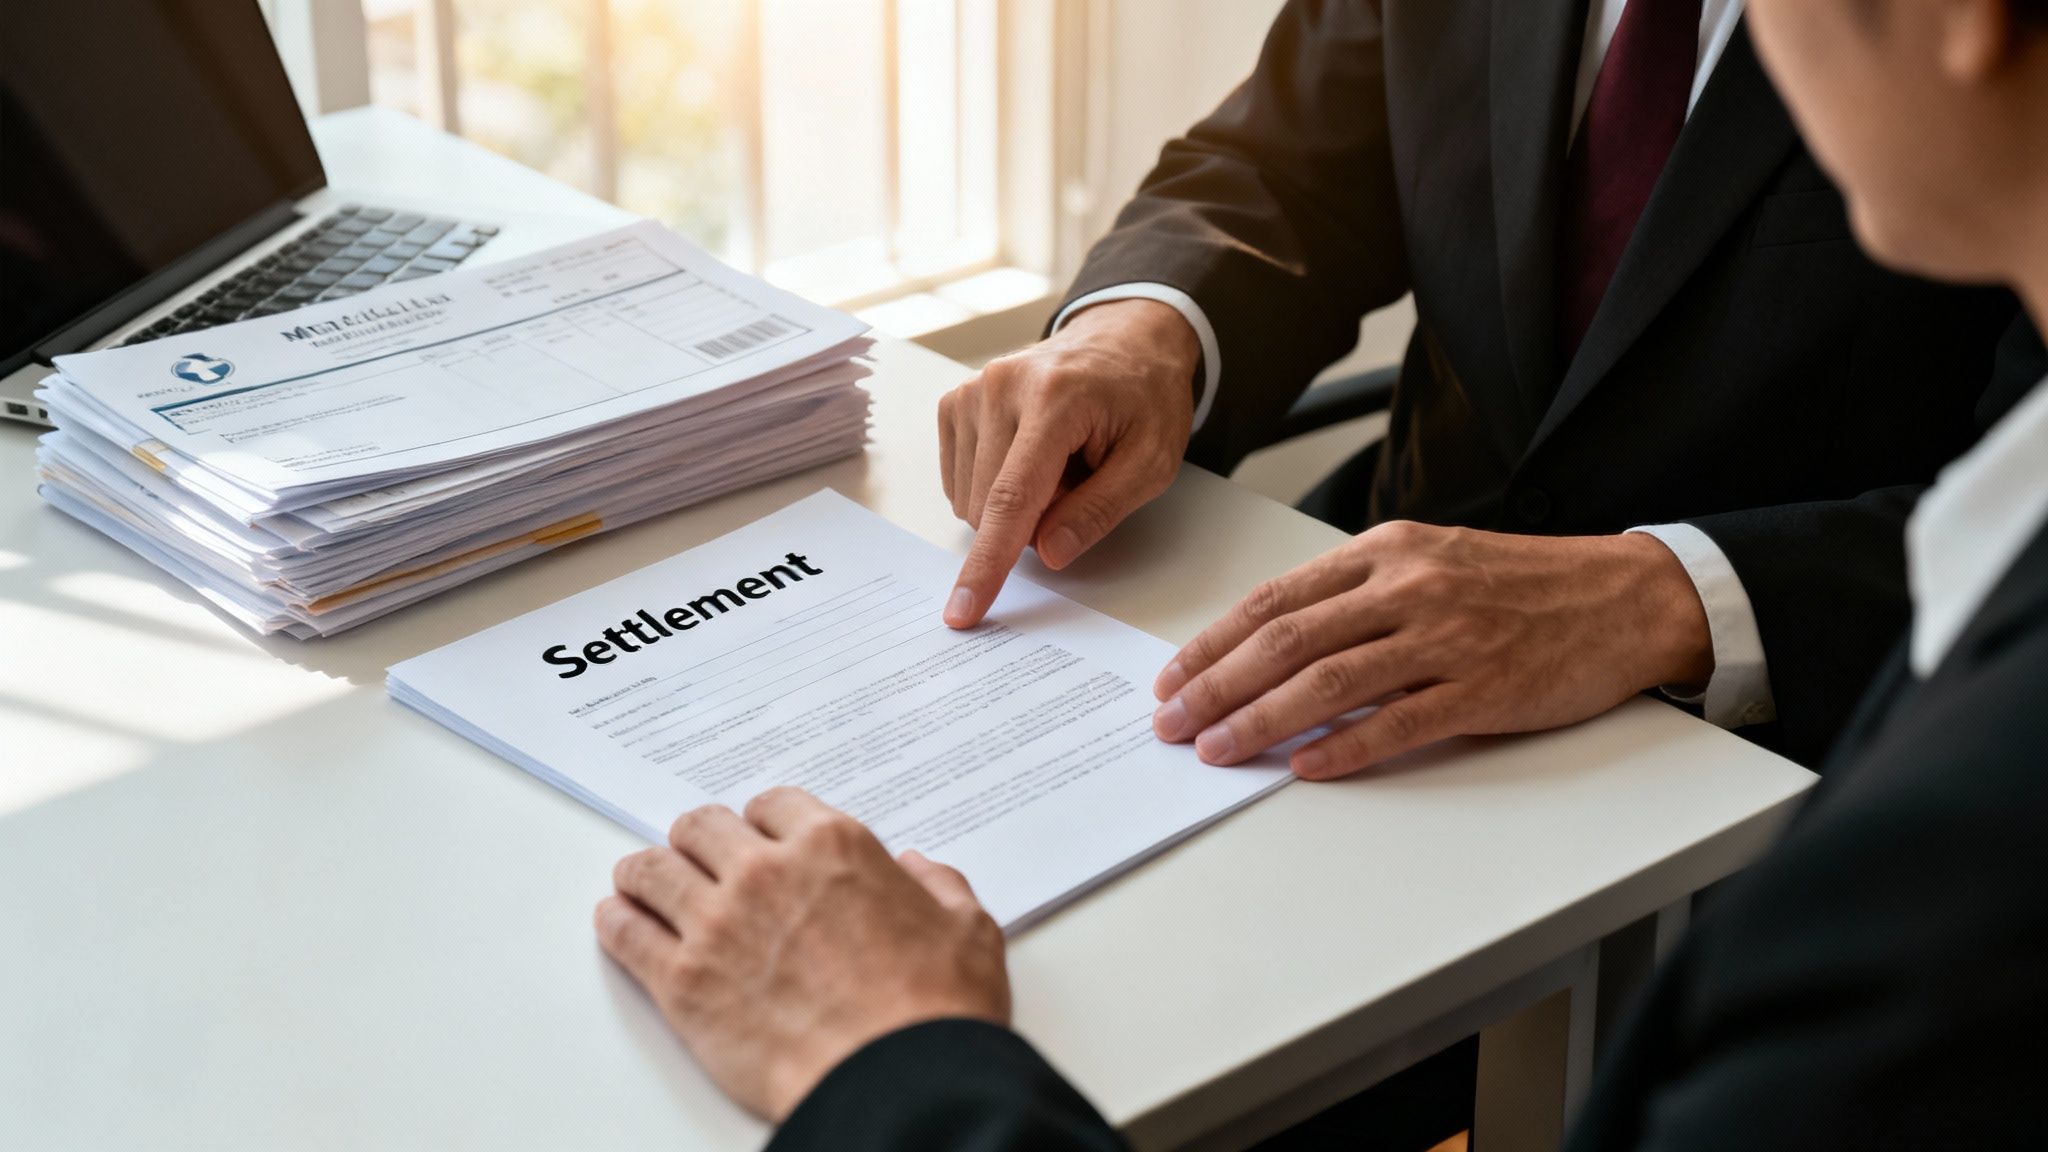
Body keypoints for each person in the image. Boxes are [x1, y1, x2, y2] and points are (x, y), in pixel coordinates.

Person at [591, 0, 2048, 1146]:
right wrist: (1142, 331)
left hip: (1760, 749)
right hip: (1337, 649)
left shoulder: (1918, 915)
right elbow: (1293, 159)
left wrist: (890, 1065)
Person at [937, 0, 2022, 776]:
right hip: (1365, 614)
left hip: (1785, 742)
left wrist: (1665, 597)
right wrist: (1140, 330)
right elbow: (1288, 167)